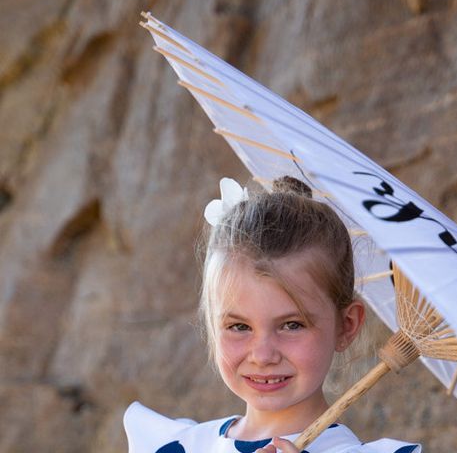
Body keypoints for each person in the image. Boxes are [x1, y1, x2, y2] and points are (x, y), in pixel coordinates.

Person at [124, 176, 422, 453]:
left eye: (292, 325)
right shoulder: (180, 445)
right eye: (239, 326)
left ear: (346, 325)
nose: (263, 355)